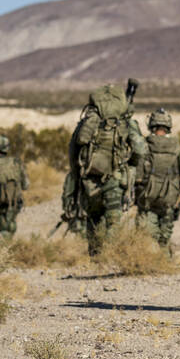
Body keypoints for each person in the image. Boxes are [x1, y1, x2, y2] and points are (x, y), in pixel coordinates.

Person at [68, 83, 146, 255]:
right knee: (113, 220)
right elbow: (140, 149)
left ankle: (95, 257)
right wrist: (131, 165)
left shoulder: (88, 122)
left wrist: (76, 177)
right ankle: (109, 256)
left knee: (93, 219)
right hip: (115, 179)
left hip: (90, 179)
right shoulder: (126, 123)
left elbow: (74, 150)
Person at [135, 108, 180, 253]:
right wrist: (178, 187)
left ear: (151, 126)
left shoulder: (144, 147)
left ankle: (155, 262)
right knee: (165, 236)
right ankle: (165, 259)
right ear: (168, 126)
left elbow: (136, 176)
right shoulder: (178, 149)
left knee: (148, 233)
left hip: (147, 199)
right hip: (169, 199)